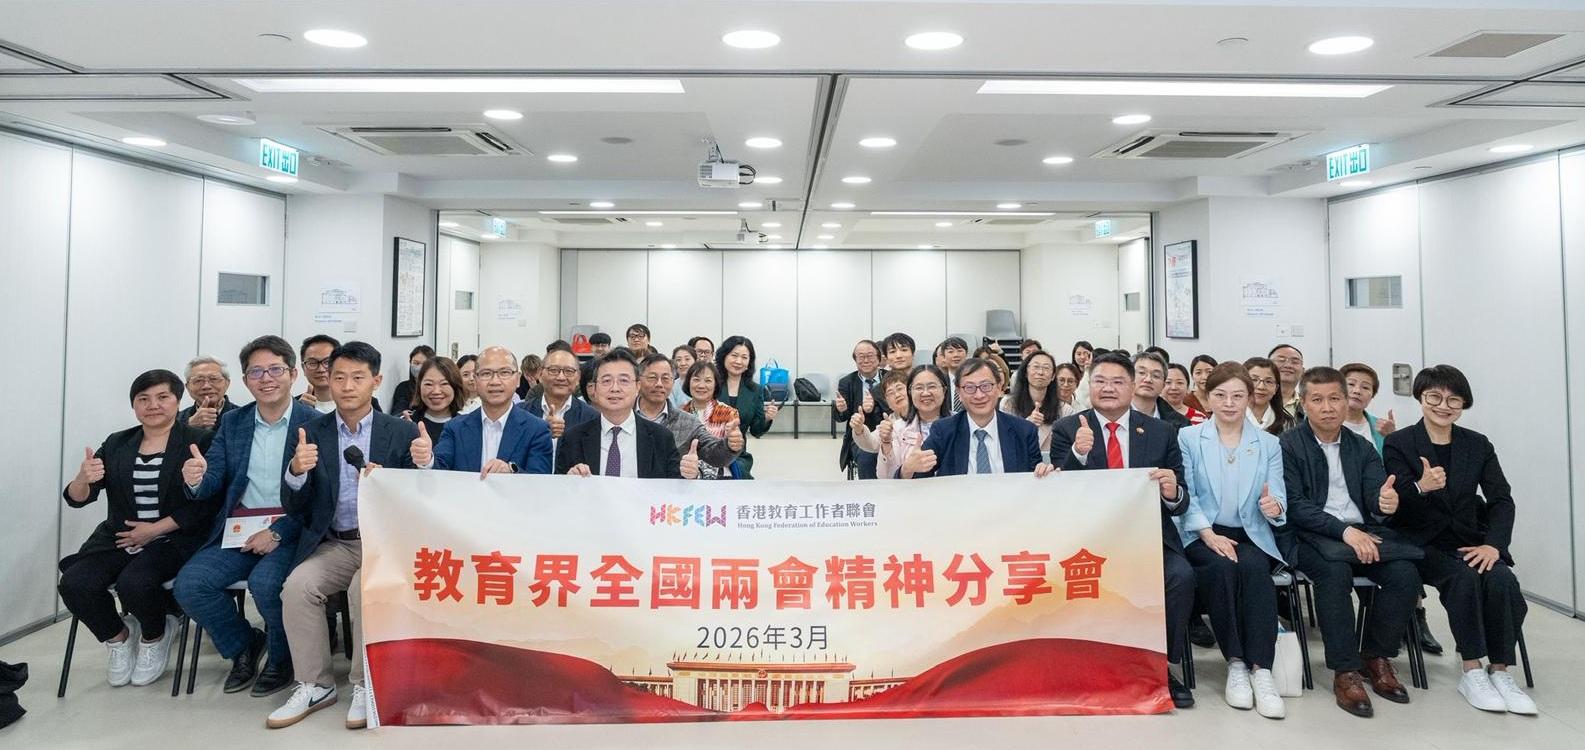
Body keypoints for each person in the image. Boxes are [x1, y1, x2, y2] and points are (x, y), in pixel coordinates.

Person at [269, 342, 418, 730]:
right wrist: (296, 472)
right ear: (327, 380)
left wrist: (403, 475)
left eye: (357, 377)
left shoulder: (400, 431)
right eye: (339, 377)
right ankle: (315, 684)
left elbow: (419, 499)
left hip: (383, 544)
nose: (347, 386)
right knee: (297, 587)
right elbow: (293, 504)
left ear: (376, 381)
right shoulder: (310, 431)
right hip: (335, 541)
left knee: (361, 590)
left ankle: (365, 684)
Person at [1383, 365, 1535, 715]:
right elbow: (1395, 500)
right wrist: (1422, 487)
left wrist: (1493, 545)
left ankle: (1500, 671)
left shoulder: (1477, 444)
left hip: (1469, 541)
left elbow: (1501, 500)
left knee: (1502, 579)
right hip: (1421, 542)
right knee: (1463, 577)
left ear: (1464, 404)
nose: (1443, 405)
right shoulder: (1399, 443)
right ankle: (1472, 669)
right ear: (1420, 398)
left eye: (1454, 400)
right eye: (1434, 397)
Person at [1048, 351, 1195, 708]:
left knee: (1181, 577)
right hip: (1087, 540)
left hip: (1146, 538)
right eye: (1100, 381)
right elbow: (1058, 497)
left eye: (1118, 382)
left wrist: (1172, 491)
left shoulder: (1161, 431)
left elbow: (1181, 500)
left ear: (1133, 386)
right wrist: (1077, 456)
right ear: (1089, 386)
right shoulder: (1069, 428)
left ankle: (1162, 665)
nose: (1108, 388)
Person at [174, 335, 319, 697]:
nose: (266, 378)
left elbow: (319, 499)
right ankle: (244, 645)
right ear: (244, 380)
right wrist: (196, 479)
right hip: (239, 529)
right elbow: (213, 479)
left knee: (267, 585)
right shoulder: (234, 422)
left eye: (275, 370)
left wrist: (278, 532)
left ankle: (281, 658)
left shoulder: (315, 423)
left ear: (293, 374)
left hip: (290, 530)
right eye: (256, 372)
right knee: (190, 585)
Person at [59, 369, 215, 689]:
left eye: (162, 397)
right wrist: (82, 478)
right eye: (143, 399)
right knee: (75, 583)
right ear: (134, 406)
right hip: (120, 537)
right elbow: (78, 498)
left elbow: (206, 505)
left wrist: (155, 529)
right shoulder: (117, 442)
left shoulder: (199, 441)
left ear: (178, 401)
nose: (152, 405)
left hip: (174, 538)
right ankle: (118, 637)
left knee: (135, 583)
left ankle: (156, 634)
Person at [1281, 366, 1419, 718]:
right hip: (1310, 535)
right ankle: (1345, 671)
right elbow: (1295, 505)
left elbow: (1375, 495)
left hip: (1362, 530)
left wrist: (1385, 503)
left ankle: (1375, 656)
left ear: (1347, 402)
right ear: (1303, 404)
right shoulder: (1288, 445)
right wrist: (1343, 532)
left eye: (1335, 398)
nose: (1327, 407)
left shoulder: (1363, 447)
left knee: (1405, 573)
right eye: (1317, 400)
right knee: (1334, 573)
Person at [1173, 362, 1289, 719]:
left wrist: (1273, 507)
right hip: (1201, 532)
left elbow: (1279, 498)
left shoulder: (1268, 444)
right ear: (1207, 397)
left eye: (1238, 396)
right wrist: (1208, 534)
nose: (1229, 403)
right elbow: (1187, 494)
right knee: (1223, 569)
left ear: (1249, 398)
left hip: (1250, 533)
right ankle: (1236, 663)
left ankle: (1261, 669)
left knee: (1254, 571)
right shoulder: (1189, 438)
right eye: (1220, 395)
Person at [900, 359, 1053, 479]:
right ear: (959, 392)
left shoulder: (1024, 431)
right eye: (969, 388)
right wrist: (907, 469)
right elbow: (919, 478)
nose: (979, 395)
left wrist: (1044, 473)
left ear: (999, 388)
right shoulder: (944, 431)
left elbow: (1034, 479)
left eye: (986, 386)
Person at [414, 346, 554, 476]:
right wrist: (427, 460)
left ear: (517, 379)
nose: (495, 381)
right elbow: (440, 469)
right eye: (486, 373)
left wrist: (511, 471)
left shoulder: (537, 430)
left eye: (504, 373)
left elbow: (540, 482)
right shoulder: (455, 428)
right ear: (475, 380)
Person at [556, 350, 687, 479]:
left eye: (623, 380)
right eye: (606, 381)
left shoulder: (662, 438)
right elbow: (558, 486)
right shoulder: (573, 438)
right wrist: (568, 480)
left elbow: (673, 487)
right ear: (594, 388)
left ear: (637, 387)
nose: (615, 388)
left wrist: (689, 473)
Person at [634, 353, 741, 476]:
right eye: (652, 377)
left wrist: (729, 445)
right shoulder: (623, 415)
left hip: (672, 486)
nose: (659, 384)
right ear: (638, 381)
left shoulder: (688, 421)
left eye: (665, 378)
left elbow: (714, 454)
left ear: (673, 382)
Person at [522, 347, 598, 469]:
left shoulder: (592, 418)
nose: (561, 377)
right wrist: (541, 431)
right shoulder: (521, 413)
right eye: (553, 370)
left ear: (578, 377)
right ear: (540, 374)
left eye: (569, 371)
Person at [715, 335, 778, 479]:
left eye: (744, 357)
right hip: (710, 449)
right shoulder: (712, 384)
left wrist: (767, 418)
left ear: (749, 362)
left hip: (738, 454)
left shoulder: (755, 390)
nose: (738, 361)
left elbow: (756, 431)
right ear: (724, 356)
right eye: (734, 355)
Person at [872, 367, 947, 481]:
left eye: (932, 386)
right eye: (919, 388)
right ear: (910, 392)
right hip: (912, 490)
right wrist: (906, 469)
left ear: (944, 390)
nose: (925, 393)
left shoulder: (961, 422)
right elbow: (885, 478)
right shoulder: (898, 428)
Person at [999, 350, 1070, 462]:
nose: (1040, 372)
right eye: (1036, 367)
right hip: (1020, 464)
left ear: (1053, 376)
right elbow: (1004, 442)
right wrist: (1026, 425)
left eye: (1046, 368)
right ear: (1026, 372)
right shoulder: (1008, 404)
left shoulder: (1065, 410)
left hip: (1051, 466)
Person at [833, 339, 887, 479]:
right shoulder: (847, 382)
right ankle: (869, 491)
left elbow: (898, 408)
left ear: (879, 358)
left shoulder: (890, 378)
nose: (866, 360)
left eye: (870, 356)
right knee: (867, 456)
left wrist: (875, 405)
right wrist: (841, 409)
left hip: (889, 431)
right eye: (861, 357)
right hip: (859, 435)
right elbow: (840, 417)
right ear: (855, 360)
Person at [681, 361, 741, 480]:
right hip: (686, 475)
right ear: (688, 383)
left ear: (715, 385)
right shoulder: (680, 413)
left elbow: (732, 450)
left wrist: (733, 441)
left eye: (708, 381)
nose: (701, 385)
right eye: (696, 380)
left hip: (720, 476)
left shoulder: (728, 413)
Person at [1340, 363, 1398, 456]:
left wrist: (1392, 437)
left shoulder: (1382, 428)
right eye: (1351, 384)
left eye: (1365, 387)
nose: (1357, 391)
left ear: (1372, 395)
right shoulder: (1321, 423)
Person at [409, 357, 467, 449]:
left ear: (456, 387)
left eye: (444, 384)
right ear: (419, 387)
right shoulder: (407, 423)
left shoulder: (467, 426)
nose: (436, 391)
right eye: (429, 384)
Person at [1132, 351, 1191, 430]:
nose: (1148, 379)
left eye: (1156, 376)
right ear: (1130, 377)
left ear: (1163, 385)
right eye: (1142, 373)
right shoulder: (1116, 414)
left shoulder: (1180, 423)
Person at [178, 356, 239, 429]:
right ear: (187, 387)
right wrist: (188, 426)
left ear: (227, 383)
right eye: (198, 380)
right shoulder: (176, 420)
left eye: (214, 379)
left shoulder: (244, 417)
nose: (206, 386)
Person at [1244, 356, 1293, 436]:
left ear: (1276, 388)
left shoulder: (1286, 423)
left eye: (1268, 381)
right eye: (1254, 380)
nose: (1261, 387)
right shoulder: (1229, 416)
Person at [296, 335, 340, 414]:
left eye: (327, 362)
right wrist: (300, 413)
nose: (321, 369)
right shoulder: (294, 407)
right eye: (312, 363)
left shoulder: (358, 404)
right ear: (303, 368)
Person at [388, 345, 435, 417]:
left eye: (424, 364)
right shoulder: (403, 387)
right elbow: (398, 413)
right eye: (416, 363)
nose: (419, 367)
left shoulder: (437, 388)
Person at [1269, 345, 1305, 420]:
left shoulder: (1308, 404)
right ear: (1267, 367)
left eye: (1295, 362)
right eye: (1281, 360)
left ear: (1303, 371)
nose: (1288, 365)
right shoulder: (1251, 401)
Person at [935, 337, 970, 412]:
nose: (956, 355)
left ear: (967, 355)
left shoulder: (974, 379)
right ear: (944, 357)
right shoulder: (939, 381)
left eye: (960, 351)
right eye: (951, 352)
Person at [1071, 340, 1095, 409]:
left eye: (1085, 354)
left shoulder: (1096, 372)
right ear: (1074, 356)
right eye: (1078, 354)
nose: (1082, 357)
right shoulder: (1070, 372)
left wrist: (1088, 370)